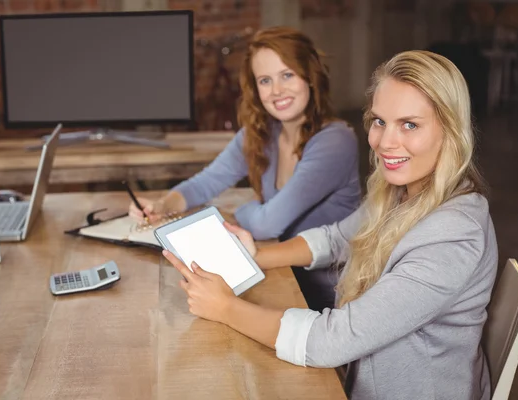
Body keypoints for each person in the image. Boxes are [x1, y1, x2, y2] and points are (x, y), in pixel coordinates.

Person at [163, 50, 498, 399]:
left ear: (450, 130)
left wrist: (226, 308)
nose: (385, 142)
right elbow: (336, 239)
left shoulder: (453, 234)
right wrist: (254, 255)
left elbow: (331, 342)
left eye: (409, 125)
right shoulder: (401, 192)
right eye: (380, 121)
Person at [130, 27, 361, 311]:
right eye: (265, 80)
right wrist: (162, 205)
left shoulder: (335, 141)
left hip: (327, 296)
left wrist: (242, 210)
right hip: (274, 272)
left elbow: (267, 224)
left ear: (310, 77)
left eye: (287, 75)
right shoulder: (260, 133)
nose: (277, 91)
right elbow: (207, 182)